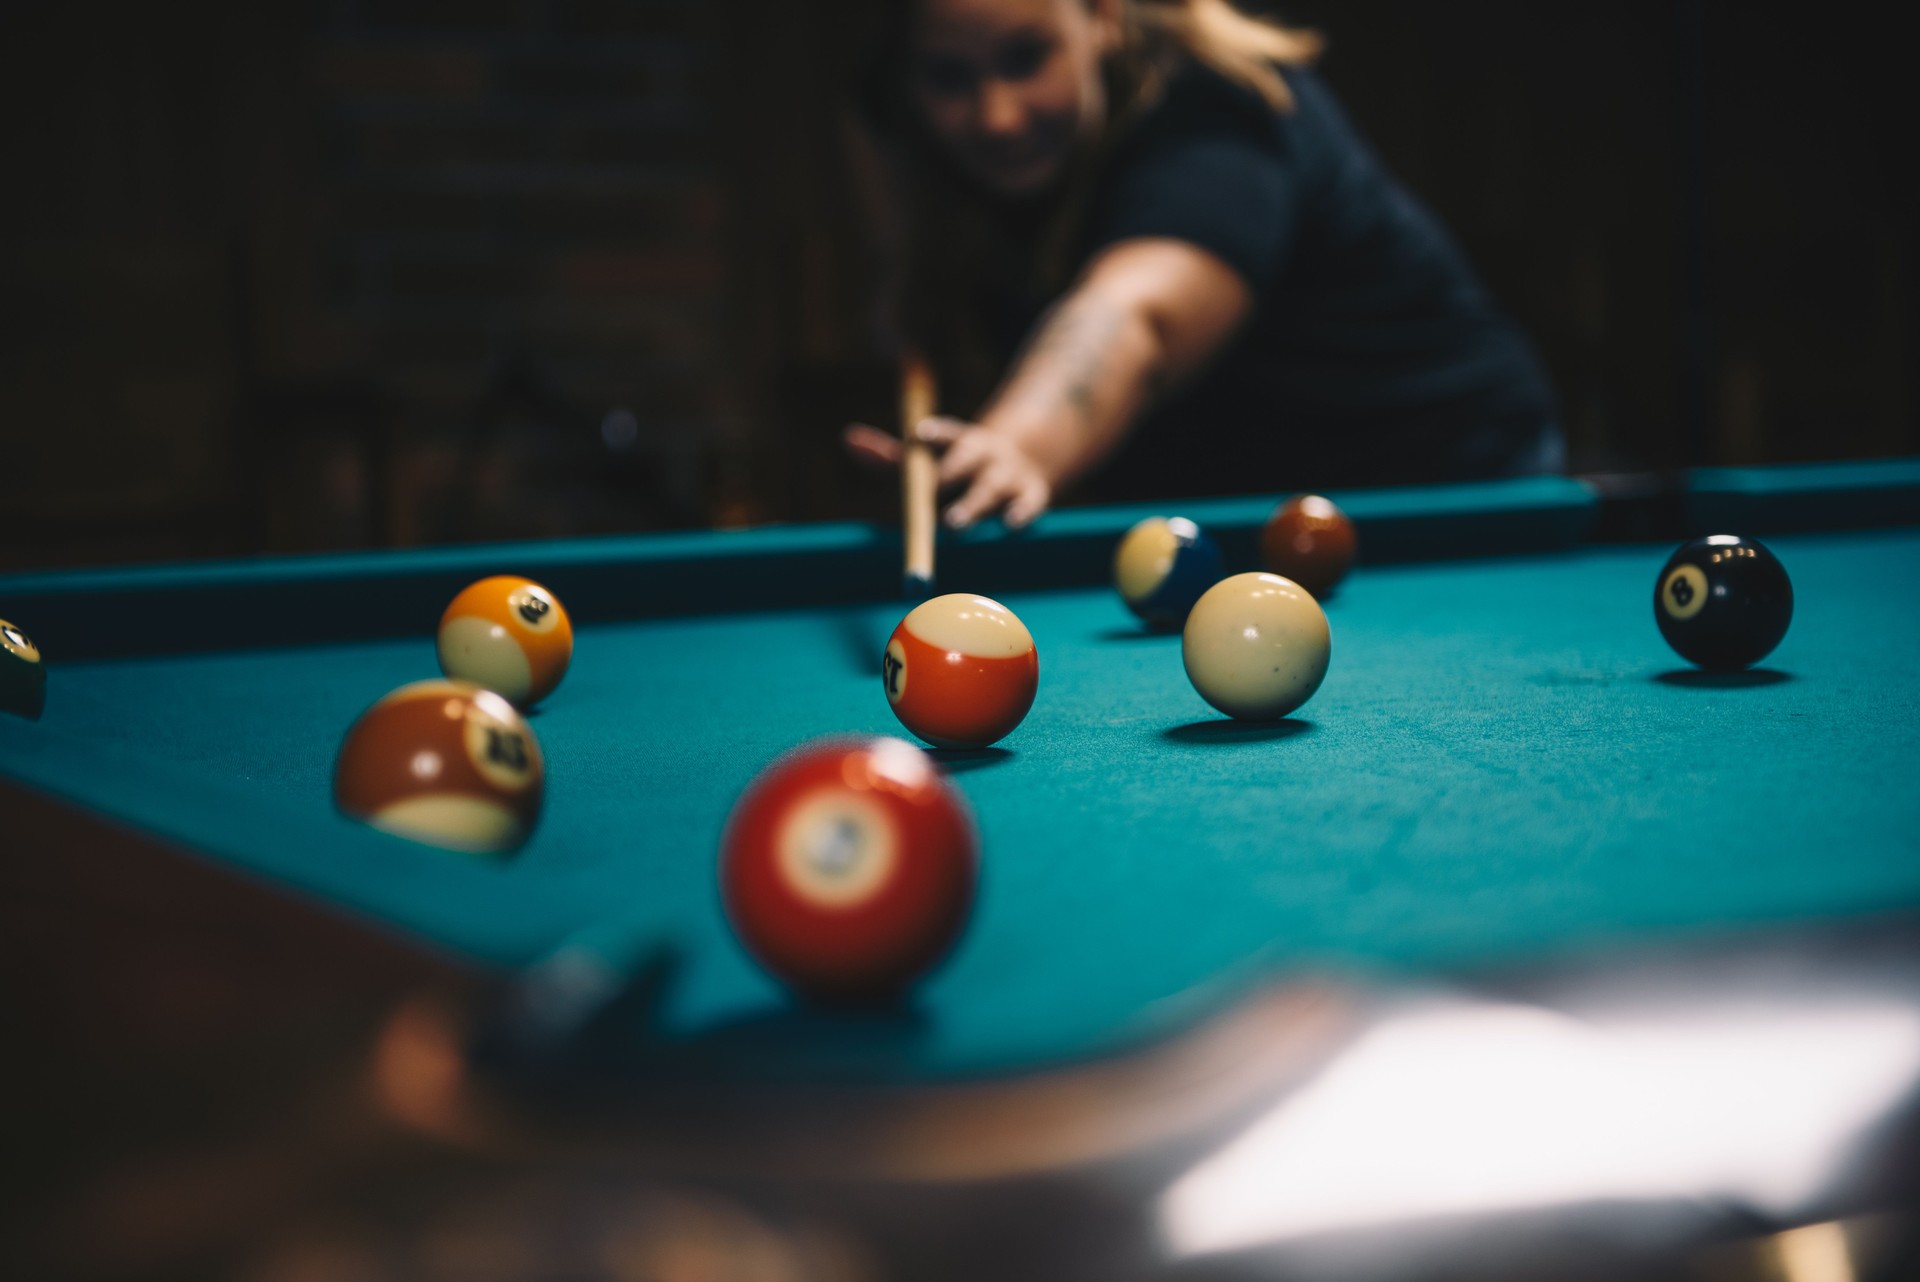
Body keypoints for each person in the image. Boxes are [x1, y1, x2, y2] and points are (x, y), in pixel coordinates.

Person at [842, 0, 1563, 529]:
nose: (995, 115)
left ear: (1101, 16)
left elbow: (1134, 319)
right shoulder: (970, 188)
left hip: (1446, 490)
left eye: (1027, 57)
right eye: (947, 77)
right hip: (1246, 509)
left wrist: (1014, 444)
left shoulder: (1216, 113)